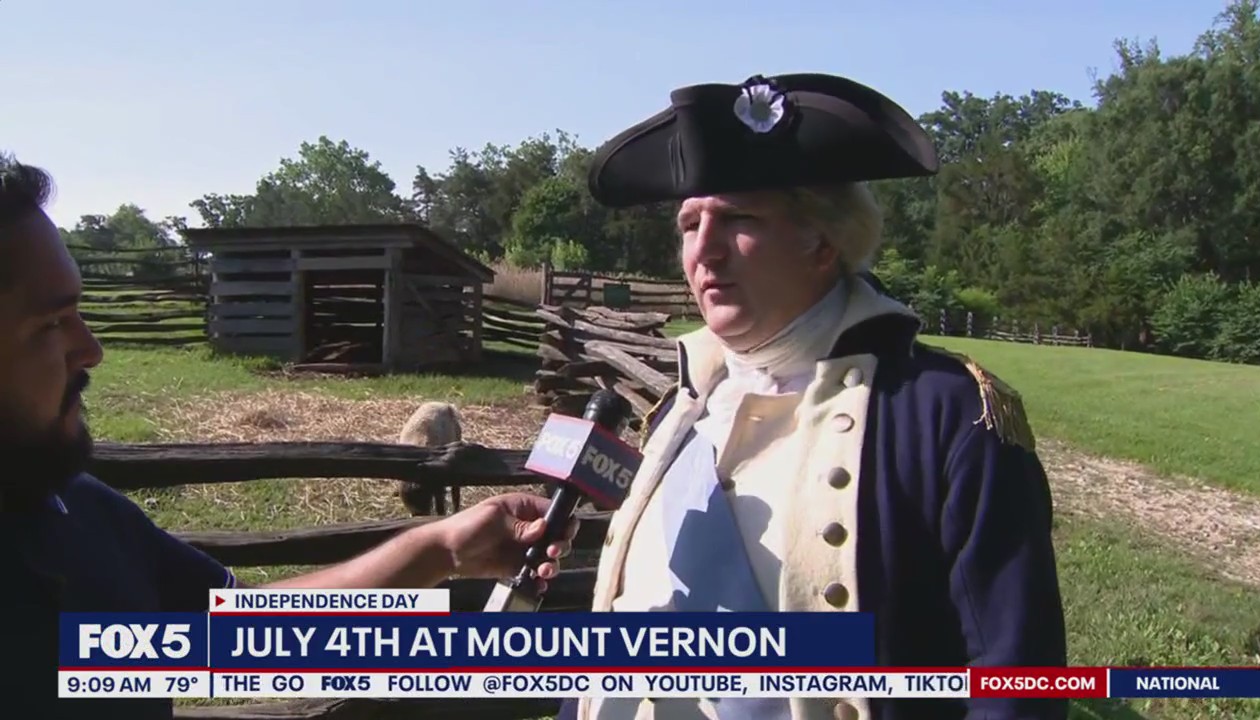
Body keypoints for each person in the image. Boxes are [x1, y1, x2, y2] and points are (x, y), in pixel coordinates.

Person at [564, 74, 1068, 720]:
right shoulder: (679, 411)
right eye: (690, 222)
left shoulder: (947, 419)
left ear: (824, 241)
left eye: (739, 218)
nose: (704, 249)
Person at [0, 154, 577, 719]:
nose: (90, 348)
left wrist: (441, 549)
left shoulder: (80, 512)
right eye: (50, 324)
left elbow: (236, 636)